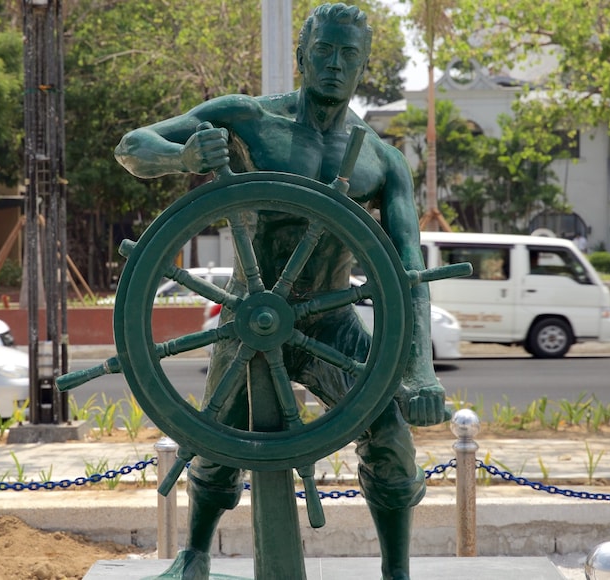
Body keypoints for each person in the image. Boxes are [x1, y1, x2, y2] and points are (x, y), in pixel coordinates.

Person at [114, 4, 449, 579]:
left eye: (349, 54)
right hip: (251, 317)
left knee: (390, 438)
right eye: (324, 51)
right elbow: (131, 146)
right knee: (215, 443)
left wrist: (420, 372)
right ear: (302, 56)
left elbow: (408, 271)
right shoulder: (246, 119)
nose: (335, 65)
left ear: (363, 64)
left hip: (331, 325)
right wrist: (181, 156)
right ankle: (194, 554)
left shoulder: (382, 161)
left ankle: (397, 572)